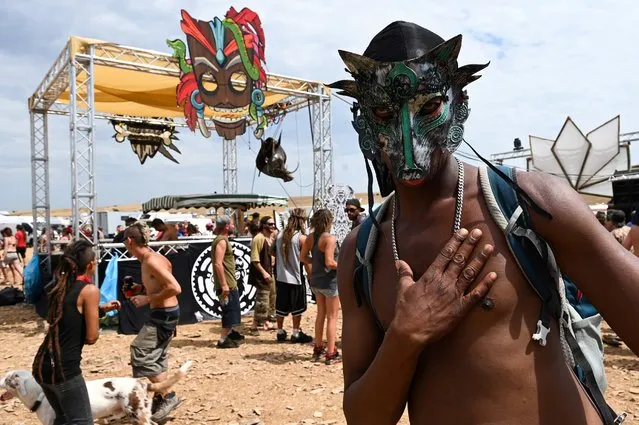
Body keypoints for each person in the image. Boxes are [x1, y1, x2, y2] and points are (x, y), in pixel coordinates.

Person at [330, 21, 637, 424]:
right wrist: (406, 335)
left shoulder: (531, 203)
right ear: (365, 122)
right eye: (385, 112)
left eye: (429, 108)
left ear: (459, 104)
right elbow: (365, 418)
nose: (408, 139)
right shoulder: (362, 251)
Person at [31, 240, 120, 424]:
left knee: (63, 419)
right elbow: (91, 337)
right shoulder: (90, 291)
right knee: (81, 421)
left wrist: (98, 310)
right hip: (65, 370)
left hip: (42, 366)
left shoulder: (60, 287)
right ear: (91, 265)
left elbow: (64, 316)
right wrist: (94, 315)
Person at [124, 221, 183, 422]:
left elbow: (175, 287)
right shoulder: (153, 258)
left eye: (125, 242)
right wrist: (141, 289)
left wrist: (147, 299)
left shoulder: (151, 260)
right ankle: (160, 397)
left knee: (140, 351)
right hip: (166, 312)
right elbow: (162, 281)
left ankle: (167, 396)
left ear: (130, 241)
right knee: (157, 356)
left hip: (163, 313)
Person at [301, 209, 340, 364]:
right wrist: (344, 265)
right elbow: (330, 262)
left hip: (316, 281)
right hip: (330, 282)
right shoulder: (329, 239)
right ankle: (331, 352)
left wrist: (315, 264)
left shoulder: (310, 237)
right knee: (332, 317)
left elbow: (303, 257)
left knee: (320, 315)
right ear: (328, 221)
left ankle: (318, 348)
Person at [274, 208, 314, 344]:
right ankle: (296, 333)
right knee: (297, 306)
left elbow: (271, 252)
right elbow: (306, 260)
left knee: (281, 305)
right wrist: (311, 277)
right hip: (295, 277)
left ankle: (280, 331)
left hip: (280, 276)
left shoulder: (279, 236)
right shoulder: (301, 239)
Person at [211, 216, 245, 348]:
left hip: (230, 282)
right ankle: (223, 339)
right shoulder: (221, 241)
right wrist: (224, 284)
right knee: (229, 310)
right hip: (227, 284)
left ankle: (230, 333)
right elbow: (218, 264)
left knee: (233, 309)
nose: (233, 225)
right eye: (231, 223)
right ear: (226, 226)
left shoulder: (223, 240)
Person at [248, 216, 276, 334]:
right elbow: (254, 259)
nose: (273, 226)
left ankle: (266, 322)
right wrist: (263, 272)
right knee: (262, 300)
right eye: (270, 224)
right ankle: (254, 325)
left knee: (272, 297)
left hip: (271, 272)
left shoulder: (271, 238)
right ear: (264, 225)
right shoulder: (258, 239)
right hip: (262, 274)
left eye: (273, 224)